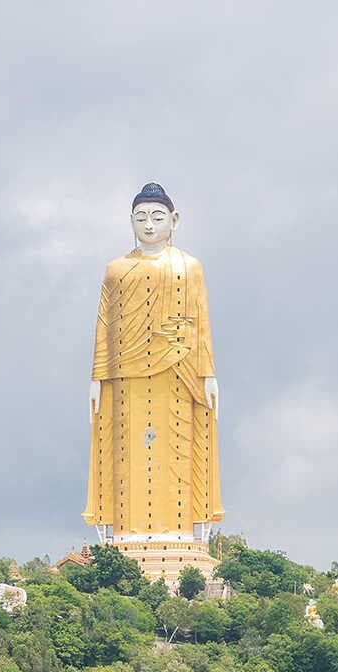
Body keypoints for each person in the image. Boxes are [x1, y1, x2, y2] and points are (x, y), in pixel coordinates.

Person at [84, 182, 223, 541]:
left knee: (177, 451)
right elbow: (104, 324)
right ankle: (125, 534)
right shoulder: (116, 270)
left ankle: (181, 534)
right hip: (125, 375)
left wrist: (208, 374)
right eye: (140, 217)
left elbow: (202, 321)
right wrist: (96, 377)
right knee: (127, 454)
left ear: (174, 220)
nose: (149, 225)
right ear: (129, 221)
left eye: (157, 217)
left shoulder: (190, 267)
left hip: (179, 370)